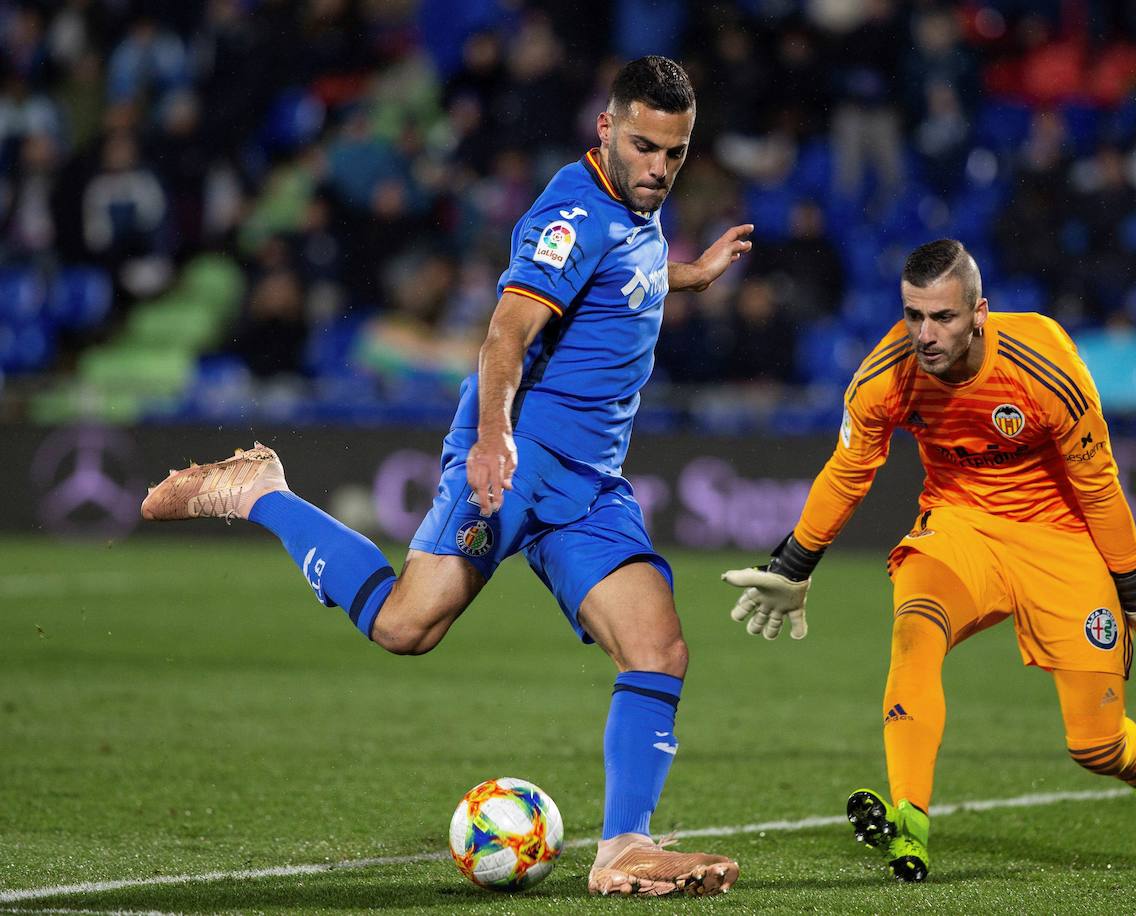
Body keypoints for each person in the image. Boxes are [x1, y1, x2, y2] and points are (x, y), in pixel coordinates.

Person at [141, 56, 752, 898]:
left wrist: (691, 273)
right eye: (644, 146)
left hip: (589, 481)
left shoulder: (636, 208)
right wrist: (496, 436)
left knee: (659, 648)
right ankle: (260, 491)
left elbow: (620, 280)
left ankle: (623, 850)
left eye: (675, 154)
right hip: (521, 456)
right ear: (605, 129)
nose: (659, 168)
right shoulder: (570, 213)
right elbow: (505, 332)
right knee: (405, 627)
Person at [722, 239, 1136, 882]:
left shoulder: (1043, 360)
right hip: (959, 526)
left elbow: (1098, 483)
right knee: (913, 634)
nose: (923, 334)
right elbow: (849, 472)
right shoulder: (884, 374)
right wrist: (793, 565)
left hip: (1058, 537)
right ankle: (909, 823)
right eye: (912, 315)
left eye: (942, 317)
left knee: (1094, 743)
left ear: (979, 311)